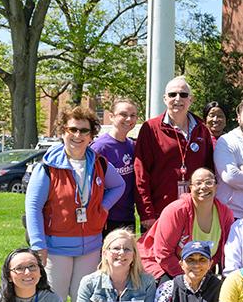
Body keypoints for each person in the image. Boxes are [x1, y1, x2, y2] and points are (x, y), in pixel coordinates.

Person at [25, 106, 124, 302]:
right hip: (55, 249)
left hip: (90, 247)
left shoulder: (99, 163)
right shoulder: (47, 167)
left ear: (91, 136)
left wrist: (101, 209)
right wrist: (38, 244)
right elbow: (33, 206)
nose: (78, 135)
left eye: (84, 131)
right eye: (72, 129)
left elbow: (119, 185)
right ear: (63, 132)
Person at [134, 77, 216, 226]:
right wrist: (146, 212)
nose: (177, 99)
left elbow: (209, 169)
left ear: (191, 99)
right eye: (172, 94)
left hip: (195, 211)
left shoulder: (202, 129)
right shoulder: (151, 128)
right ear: (165, 99)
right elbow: (141, 173)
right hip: (160, 212)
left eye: (183, 95)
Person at [137, 168, 235, 281]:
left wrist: (202, 272)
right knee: (173, 292)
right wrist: (188, 279)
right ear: (190, 188)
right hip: (159, 264)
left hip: (199, 269)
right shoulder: (176, 211)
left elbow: (221, 251)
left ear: (216, 186)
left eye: (209, 182)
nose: (203, 187)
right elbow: (163, 254)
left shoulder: (225, 214)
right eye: (198, 183)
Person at [91, 97, 139, 235]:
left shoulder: (132, 146)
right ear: (111, 117)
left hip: (128, 215)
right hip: (106, 216)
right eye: (123, 115)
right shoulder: (100, 147)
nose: (129, 119)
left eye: (133, 115)